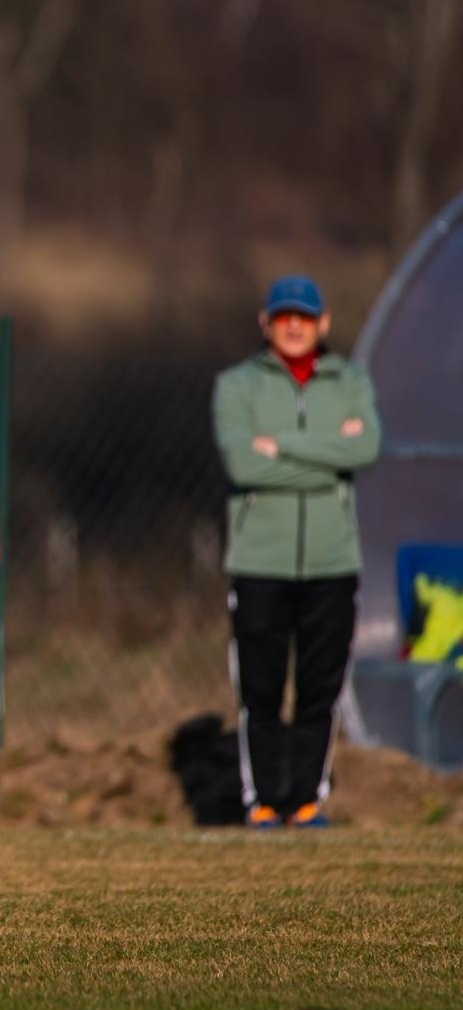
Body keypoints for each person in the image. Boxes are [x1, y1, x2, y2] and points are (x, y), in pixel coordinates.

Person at [213, 275, 380, 829]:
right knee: (259, 689)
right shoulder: (236, 386)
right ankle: (263, 801)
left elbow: (369, 447)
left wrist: (282, 444)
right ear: (265, 322)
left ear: (323, 323)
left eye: (304, 317)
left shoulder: (351, 382)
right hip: (258, 563)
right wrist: (331, 453)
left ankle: (307, 800)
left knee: (320, 688)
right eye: (283, 315)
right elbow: (243, 465)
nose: (293, 326)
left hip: (333, 564)